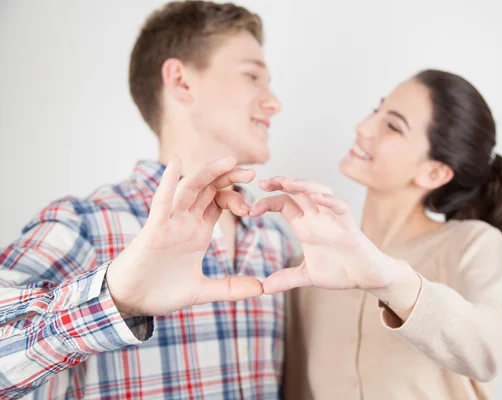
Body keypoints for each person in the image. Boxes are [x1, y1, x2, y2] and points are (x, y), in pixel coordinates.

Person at [0, 2, 293, 399]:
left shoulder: (276, 238)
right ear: (181, 81)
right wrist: (115, 298)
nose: (274, 101)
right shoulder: (84, 225)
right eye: (252, 76)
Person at [252, 69, 502, 399]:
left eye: (393, 126)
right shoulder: (311, 265)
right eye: (376, 110)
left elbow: (486, 353)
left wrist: (389, 281)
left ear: (434, 172)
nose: (363, 127)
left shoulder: (471, 244)